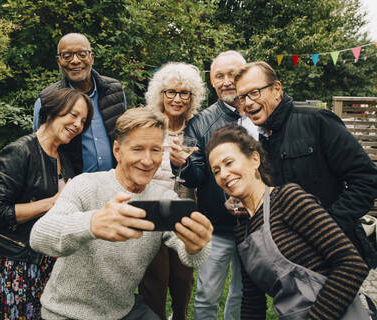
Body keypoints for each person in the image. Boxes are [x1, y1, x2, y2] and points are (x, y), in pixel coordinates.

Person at [29, 107, 213, 320]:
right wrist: (92, 224)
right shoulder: (86, 185)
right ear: (117, 151)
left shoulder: (163, 198)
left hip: (123, 311)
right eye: (137, 149)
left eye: (155, 150)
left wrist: (197, 244)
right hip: (66, 313)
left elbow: (192, 256)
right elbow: (39, 236)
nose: (148, 160)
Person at [206, 123, 370, 319]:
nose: (223, 174)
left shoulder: (288, 199)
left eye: (229, 163)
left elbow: (352, 265)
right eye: (216, 171)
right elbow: (252, 301)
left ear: (254, 159)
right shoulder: (243, 232)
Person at [233, 61, 377, 268]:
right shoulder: (261, 140)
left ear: (276, 89)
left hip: (334, 254)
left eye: (254, 93)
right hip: (292, 258)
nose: (247, 102)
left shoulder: (317, 121)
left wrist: (328, 226)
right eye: (242, 97)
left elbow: (367, 179)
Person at [0, 88, 93, 319]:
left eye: (83, 121)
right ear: (52, 112)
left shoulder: (62, 156)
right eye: (73, 115)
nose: (78, 124)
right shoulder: (20, 151)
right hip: (19, 261)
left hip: (49, 258)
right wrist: (52, 202)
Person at [169, 51, 248, 320]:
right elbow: (196, 177)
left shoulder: (260, 115)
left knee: (244, 293)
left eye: (234, 74)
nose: (227, 81)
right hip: (216, 226)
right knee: (207, 296)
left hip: (256, 224)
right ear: (212, 82)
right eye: (219, 76)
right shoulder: (201, 122)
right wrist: (183, 163)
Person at [140, 62, 205, 320]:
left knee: (182, 277)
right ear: (160, 94)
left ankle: (179, 316)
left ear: (192, 97)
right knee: (154, 278)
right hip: (152, 211)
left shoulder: (198, 127)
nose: (177, 99)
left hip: (185, 212)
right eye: (171, 92)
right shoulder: (149, 124)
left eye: (184, 93)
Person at [33, 33, 126, 174]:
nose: (75, 61)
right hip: (72, 188)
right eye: (67, 56)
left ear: (91, 58)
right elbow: (39, 150)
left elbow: (126, 137)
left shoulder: (115, 92)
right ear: (59, 61)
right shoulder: (47, 100)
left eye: (82, 54)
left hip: (115, 182)